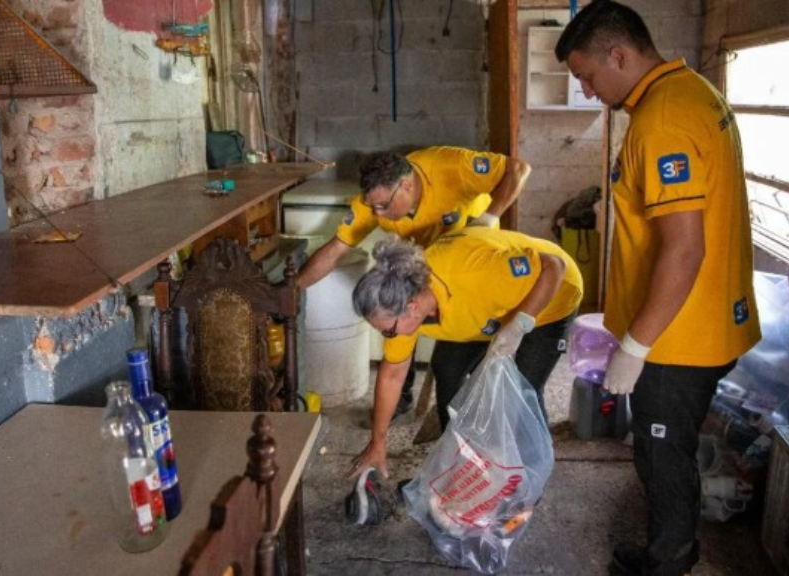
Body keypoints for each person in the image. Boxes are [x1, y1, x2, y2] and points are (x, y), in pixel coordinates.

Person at [554, 2, 761, 575]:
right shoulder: (692, 90)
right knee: (667, 448)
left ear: (619, 55)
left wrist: (636, 347)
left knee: (661, 454)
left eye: (588, 77)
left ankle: (668, 561)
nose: (588, 91)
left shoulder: (662, 121)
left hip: (677, 337)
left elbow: (684, 250)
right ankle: (674, 548)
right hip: (704, 318)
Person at [297, 146, 532, 418]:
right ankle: (399, 399)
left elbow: (518, 169)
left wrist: (489, 217)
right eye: (374, 207)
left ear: (406, 185)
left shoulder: (450, 166)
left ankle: (473, 415)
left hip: (466, 274)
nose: (378, 214)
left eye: (384, 206)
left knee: (451, 366)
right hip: (417, 270)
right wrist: (293, 289)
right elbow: (337, 249)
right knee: (396, 326)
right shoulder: (372, 203)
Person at [345, 227, 583, 481]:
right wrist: (378, 442)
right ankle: (459, 457)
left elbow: (554, 266)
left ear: (412, 308)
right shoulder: (404, 303)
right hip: (488, 309)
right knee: (447, 367)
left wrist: (518, 325)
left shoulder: (474, 274)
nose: (388, 336)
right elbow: (392, 375)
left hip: (553, 294)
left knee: (522, 389)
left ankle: (529, 479)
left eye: (387, 331)